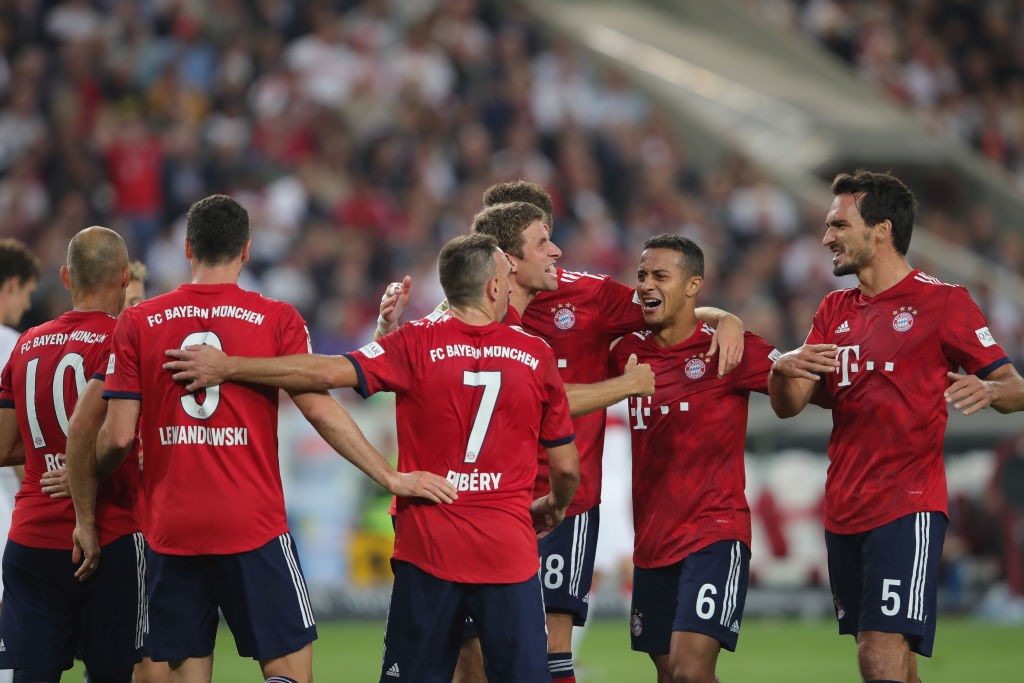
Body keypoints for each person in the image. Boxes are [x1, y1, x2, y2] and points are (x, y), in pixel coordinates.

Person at [163, 232, 582, 682]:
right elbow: (565, 467)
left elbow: (324, 370)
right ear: (495, 288)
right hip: (508, 554)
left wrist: (230, 366)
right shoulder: (536, 354)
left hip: (429, 549)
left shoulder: (415, 344)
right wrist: (553, 505)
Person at [377, 180, 746, 683]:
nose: (555, 251)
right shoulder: (467, 309)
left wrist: (725, 318)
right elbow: (417, 367)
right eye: (540, 241)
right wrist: (386, 335)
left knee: (551, 646)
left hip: (564, 498)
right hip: (486, 503)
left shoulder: (588, 295)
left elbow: (668, 307)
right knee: (472, 656)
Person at [91, 194, 455, 683]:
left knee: (183, 671)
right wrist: (389, 474)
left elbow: (115, 438)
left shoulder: (137, 322)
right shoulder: (276, 319)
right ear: (246, 250)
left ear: (186, 247)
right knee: (288, 669)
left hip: (170, 527)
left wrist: (84, 489)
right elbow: (321, 410)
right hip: (251, 525)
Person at [767, 170, 1024, 683]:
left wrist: (992, 390)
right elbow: (789, 405)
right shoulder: (832, 310)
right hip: (845, 508)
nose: (826, 238)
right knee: (896, 663)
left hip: (907, 505)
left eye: (839, 224)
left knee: (878, 652)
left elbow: (1016, 385)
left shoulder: (942, 302)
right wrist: (781, 368)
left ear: (881, 230)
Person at [609, 234, 780, 683]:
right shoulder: (626, 351)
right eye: (642, 274)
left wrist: (733, 323)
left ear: (693, 285)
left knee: (689, 669)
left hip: (714, 532)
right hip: (652, 540)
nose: (647, 284)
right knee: (671, 675)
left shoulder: (727, 349)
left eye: (661, 275)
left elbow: (801, 388)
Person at [0, 227, 142, 682]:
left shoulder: (25, 344)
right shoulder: (124, 338)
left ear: (65, 277)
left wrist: (54, 456)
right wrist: (82, 469)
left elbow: (3, 447)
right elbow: (124, 436)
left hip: (31, 539)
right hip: (109, 534)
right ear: (125, 277)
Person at [0, 237, 39, 683]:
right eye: (26, 293)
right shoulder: (17, 346)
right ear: (11, 284)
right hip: (7, 514)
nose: (26, 303)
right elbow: (17, 443)